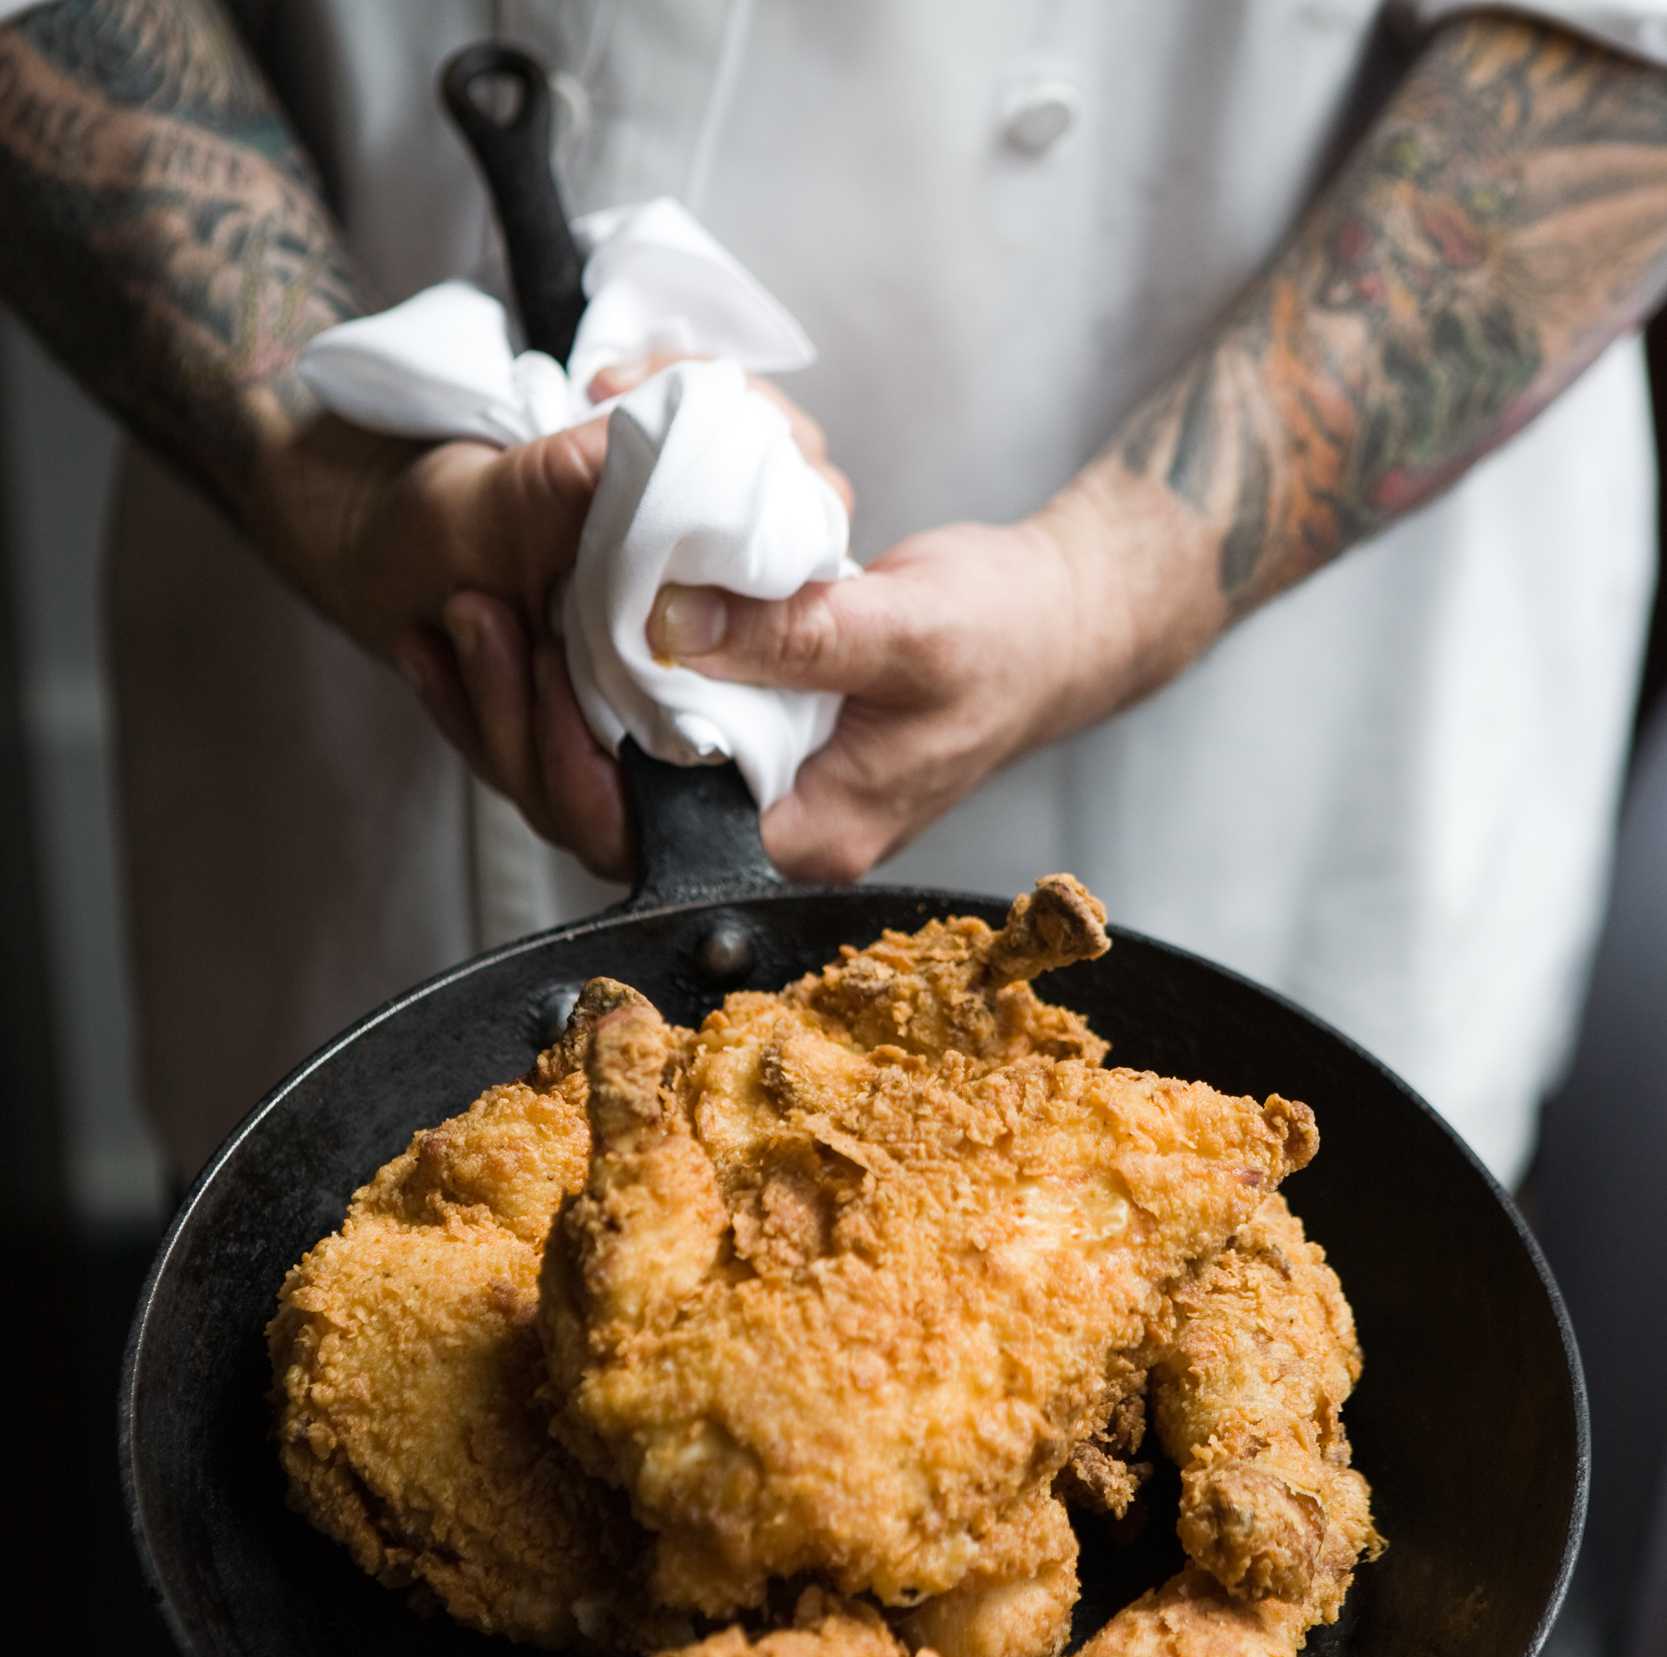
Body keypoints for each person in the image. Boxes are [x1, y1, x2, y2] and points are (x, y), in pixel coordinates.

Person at [2, 0, 1665, 1190]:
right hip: (341, 765)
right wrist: (324, 464)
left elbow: (1624, 69)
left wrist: (1109, 586)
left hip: (1234, 769)